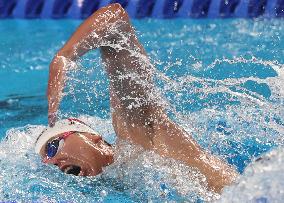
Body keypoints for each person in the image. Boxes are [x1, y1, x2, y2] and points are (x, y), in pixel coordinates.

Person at [36, 3, 238, 193]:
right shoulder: (123, 178)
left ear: (93, 138)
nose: (53, 162)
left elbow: (116, 20)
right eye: (47, 161)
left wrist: (64, 56)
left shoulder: (134, 133)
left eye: (53, 147)